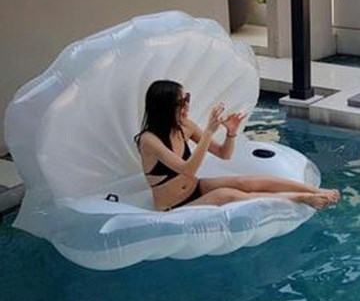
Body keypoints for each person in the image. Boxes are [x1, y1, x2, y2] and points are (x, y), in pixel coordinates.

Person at [135, 80, 340, 211]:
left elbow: (223, 154)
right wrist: (209, 131)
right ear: (164, 108)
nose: (187, 105)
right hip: (173, 206)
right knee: (227, 195)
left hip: (195, 188)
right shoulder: (149, 140)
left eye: (186, 98)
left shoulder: (185, 126)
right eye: (181, 102)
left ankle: (314, 190)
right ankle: (301, 197)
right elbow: (188, 170)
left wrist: (231, 133)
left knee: (244, 181)